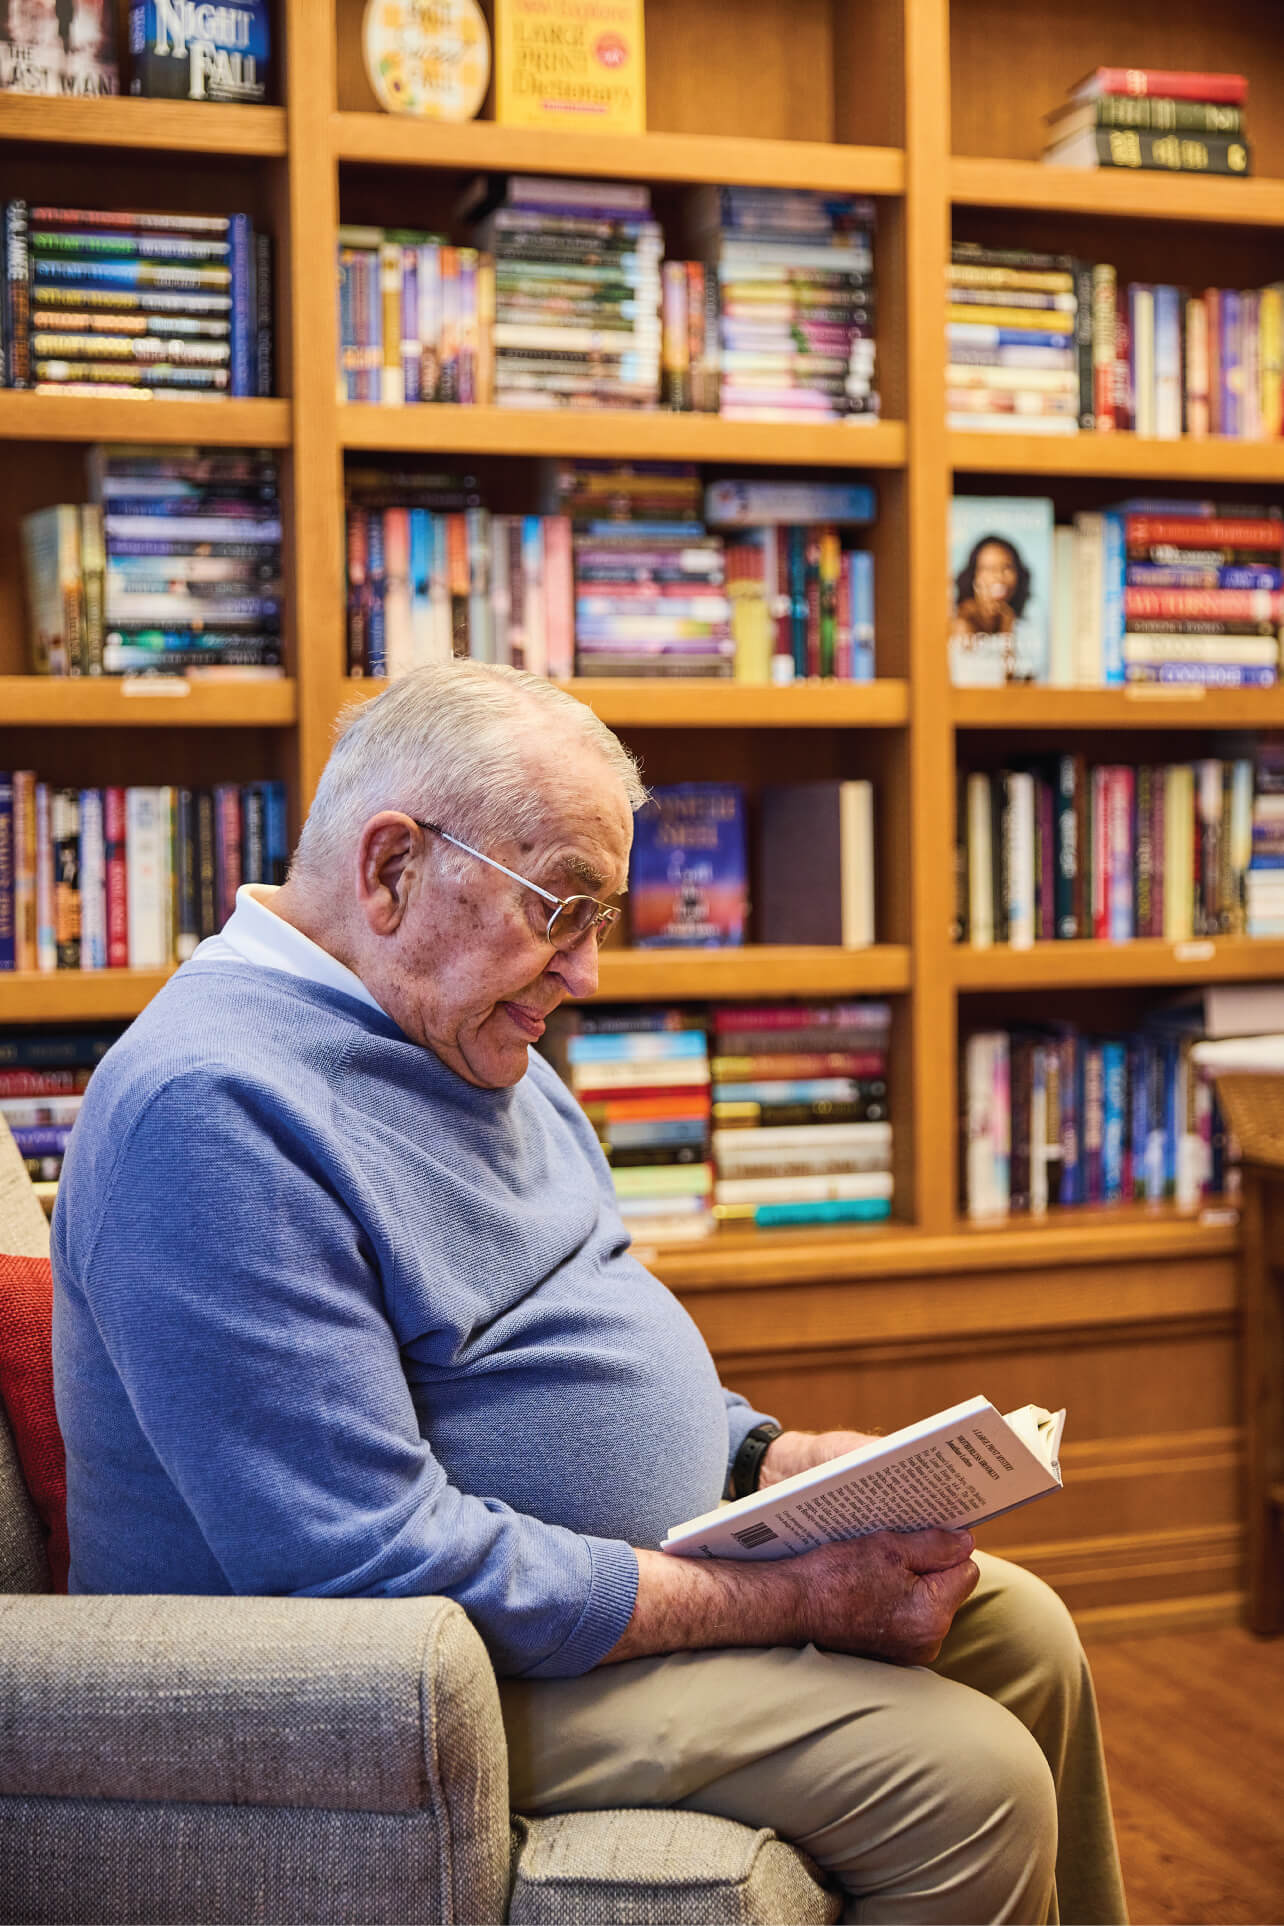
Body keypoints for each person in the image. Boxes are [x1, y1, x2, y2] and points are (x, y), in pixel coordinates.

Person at [52, 662, 1126, 1925]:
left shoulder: (462, 1032)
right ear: (393, 868)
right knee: (971, 1777)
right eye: (559, 908)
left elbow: (568, 1336)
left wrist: (770, 1460)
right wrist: (785, 1595)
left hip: (576, 1596)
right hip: (395, 1681)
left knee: (1030, 1640)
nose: (588, 973)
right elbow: (364, 1564)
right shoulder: (214, 1110)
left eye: (601, 917)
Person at [948, 533, 1036, 685]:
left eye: (1006, 568)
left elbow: (1015, 682)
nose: (998, 577)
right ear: (974, 576)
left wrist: (1007, 630)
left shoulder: (1024, 626)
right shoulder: (959, 622)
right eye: (988, 569)